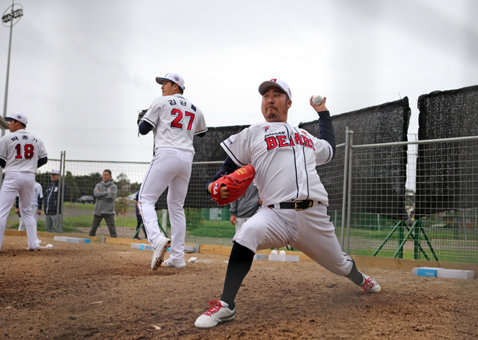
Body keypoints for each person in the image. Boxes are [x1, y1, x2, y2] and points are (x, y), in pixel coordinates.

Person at [194, 79, 381, 328]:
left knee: (340, 264)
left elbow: (330, 149)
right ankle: (227, 305)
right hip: (275, 216)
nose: (270, 99)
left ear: (288, 102)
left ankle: (362, 279)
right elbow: (226, 170)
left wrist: (323, 113)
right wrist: (211, 186)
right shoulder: (252, 133)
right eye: (266, 95)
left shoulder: (305, 136)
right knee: (246, 233)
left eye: (277, 94)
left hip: (313, 216)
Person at [138, 72, 207, 270]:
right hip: (186, 158)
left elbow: (143, 129)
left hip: (166, 153)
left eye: (166, 83)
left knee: (145, 199)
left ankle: (156, 239)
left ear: (176, 86)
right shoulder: (196, 108)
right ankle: (177, 257)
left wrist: (149, 118)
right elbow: (203, 134)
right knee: (176, 207)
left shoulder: (161, 102)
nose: (162, 86)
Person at [0, 112, 47, 251]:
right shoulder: (37, 139)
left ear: (19, 123)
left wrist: (12, 167)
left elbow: (1, 160)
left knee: (2, 212)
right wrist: (30, 166)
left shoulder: (7, 138)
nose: (9, 123)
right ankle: (33, 244)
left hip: (13, 175)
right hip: (29, 176)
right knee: (27, 211)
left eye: (11, 121)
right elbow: (44, 159)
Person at [89, 169, 118, 238]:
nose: (104, 176)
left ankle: (115, 245)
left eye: (106, 175)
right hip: (98, 210)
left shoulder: (113, 186)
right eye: (103, 175)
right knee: (93, 229)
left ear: (110, 177)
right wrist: (106, 193)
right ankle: (89, 243)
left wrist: (100, 194)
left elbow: (111, 196)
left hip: (108, 211)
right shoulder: (98, 185)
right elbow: (96, 194)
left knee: (112, 231)